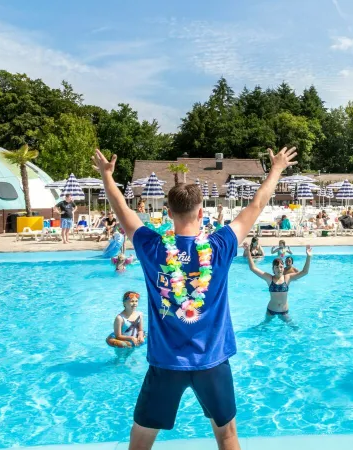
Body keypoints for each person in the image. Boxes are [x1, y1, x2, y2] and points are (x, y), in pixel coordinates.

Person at [93, 145, 297, 450]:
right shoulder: (220, 246)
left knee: (140, 441)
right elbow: (255, 206)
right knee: (227, 436)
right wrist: (277, 169)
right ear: (201, 212)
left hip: (165, 364)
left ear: (168, 213)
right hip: (212, 362)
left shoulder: (151, 248)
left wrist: (108, 178)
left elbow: (123, 211)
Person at [245, 245, 312, 326]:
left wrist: (309, 256)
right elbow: (253, 268)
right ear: (273, 269)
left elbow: (305, 272)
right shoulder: (269, 278)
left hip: (284, 311)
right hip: (271, 310)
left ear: (283, 268)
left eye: (281, 267)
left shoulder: (288, 278)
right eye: (277, 267)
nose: (279, 269)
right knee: (262, 327)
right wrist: (248, 251)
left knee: (294, 328)